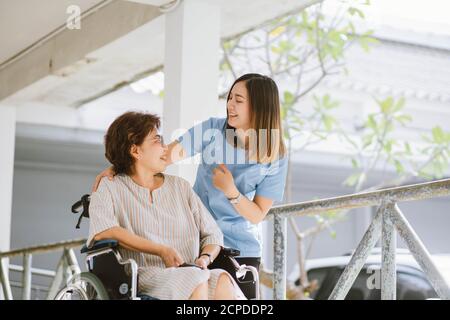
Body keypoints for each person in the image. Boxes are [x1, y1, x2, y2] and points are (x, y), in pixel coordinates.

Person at [92, 73, 288, 299]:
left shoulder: (276, 155)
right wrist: (119, 165)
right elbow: (163, 157)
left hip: (240, 246)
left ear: (259, 107)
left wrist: (231, 191)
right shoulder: (212, 131)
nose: (229, 105)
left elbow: (257, 215)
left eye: (238, 100)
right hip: (198, 242)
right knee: (196, 284)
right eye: (229, 98)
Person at [88, 111, 245, 300]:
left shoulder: (180, 187)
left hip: (192, 270)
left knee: (221, 280)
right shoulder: (109, 187)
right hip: (143, 276)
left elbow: (213, 234)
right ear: (135, 150)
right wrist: (161, 250)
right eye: (157, 140)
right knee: (194, 279)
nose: (165, 148)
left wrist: (205, 258)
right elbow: (106, 231)